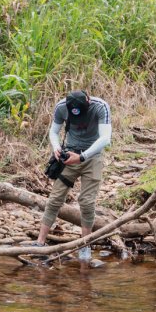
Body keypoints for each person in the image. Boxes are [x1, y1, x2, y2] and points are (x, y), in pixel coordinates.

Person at [33, 90, 111, 260]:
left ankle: (85, 245)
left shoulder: (100, 107)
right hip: (69, 156)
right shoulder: (62, 107)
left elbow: (105, 138)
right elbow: (54, 132)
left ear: (88, 102)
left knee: (87, 202)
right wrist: (55, 148)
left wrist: (83, 157)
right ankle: (40, 243)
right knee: (55, 199)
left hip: (92, 157)